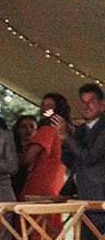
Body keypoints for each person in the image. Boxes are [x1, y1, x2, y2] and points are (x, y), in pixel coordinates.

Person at [55, 83, 105, 227]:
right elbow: (70, 160)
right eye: (83, 101)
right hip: (82, 192)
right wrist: (65, 141)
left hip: (100, 195)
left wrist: (67, 137)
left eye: (91, 102)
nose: (86, 106)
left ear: (102, 105)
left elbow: (90, 157)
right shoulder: (81, 129)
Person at [21, 94, 69, 200]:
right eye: (42, 105)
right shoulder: (65, 130)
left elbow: (28, 158)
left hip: (40, 184)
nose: (44, 108)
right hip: (56, 184)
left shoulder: (47, 129)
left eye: (49, 105)